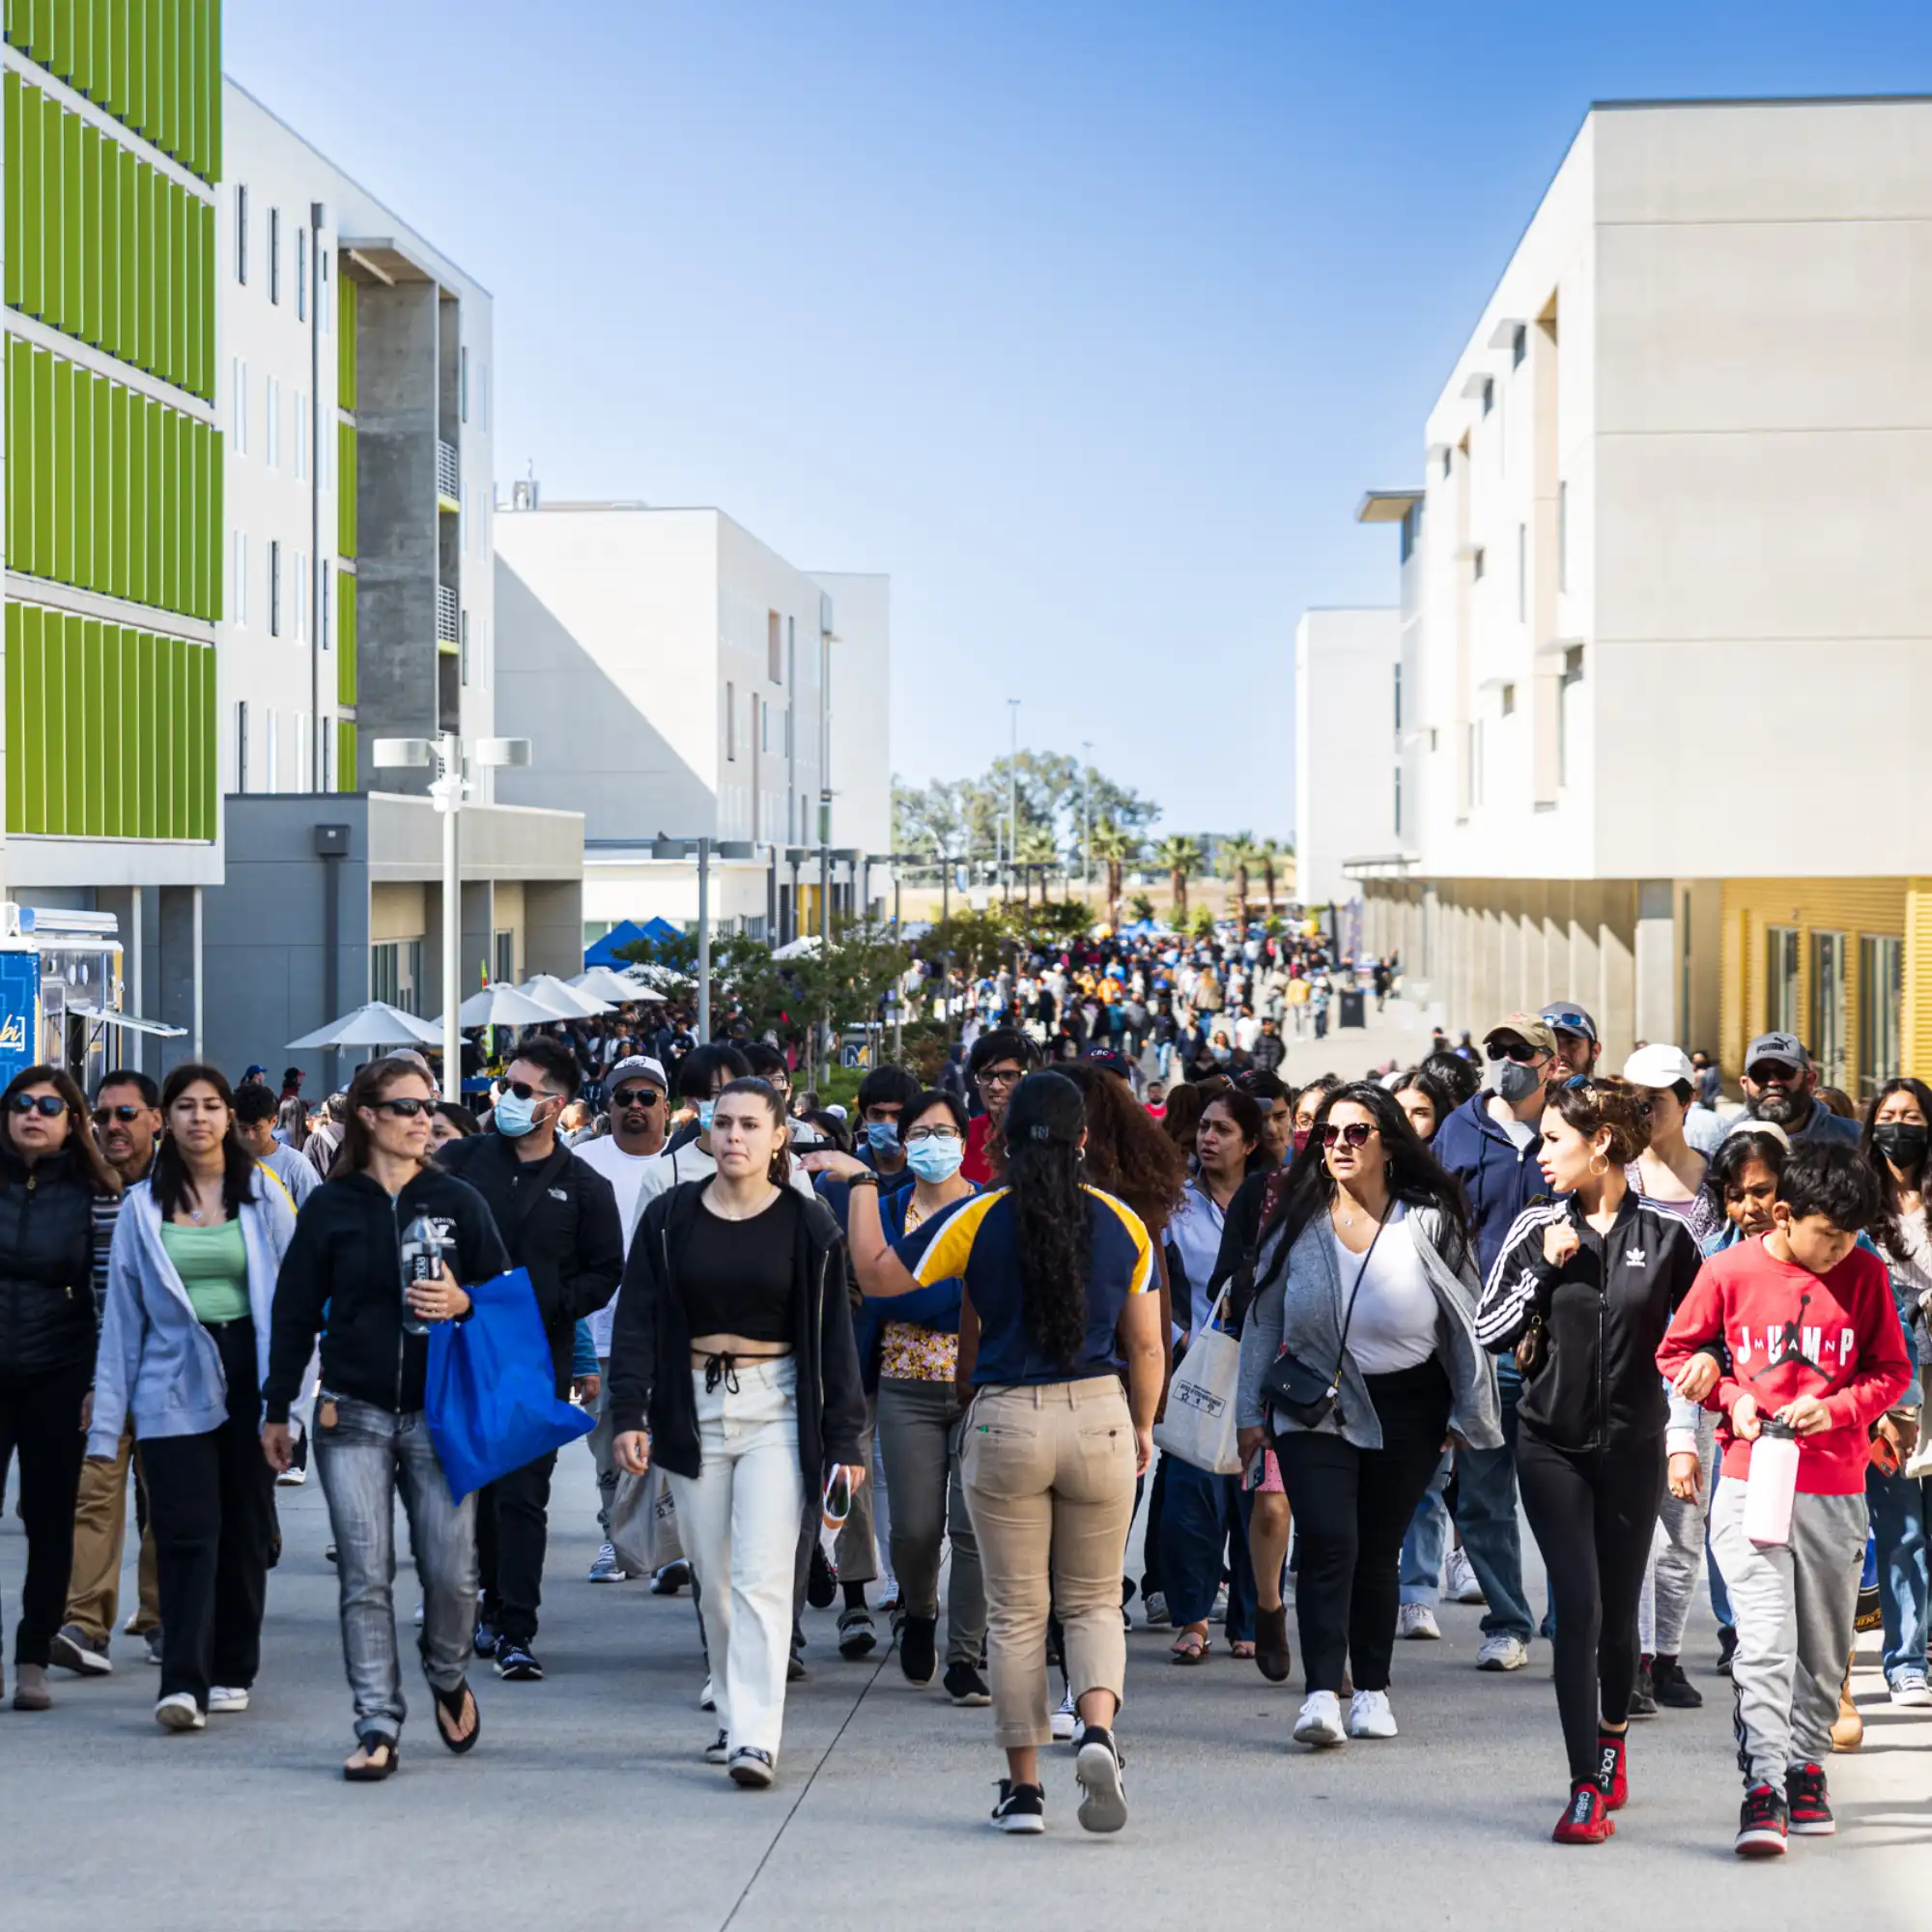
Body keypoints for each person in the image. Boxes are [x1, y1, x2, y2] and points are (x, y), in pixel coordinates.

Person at [828, 1070, 1163, 1835]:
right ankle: (1100, 1730)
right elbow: (1145, 1344)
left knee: (1016, 1611)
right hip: (1099, 1416)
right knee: (1092, 1599)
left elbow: (879, 1276)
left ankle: (1022, 1791)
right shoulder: (1124, 1222)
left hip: (1007, 1417)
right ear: (1084, 1140)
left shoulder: (979, 1217)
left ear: (1001, 1143)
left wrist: (855, 1185)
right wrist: (1141, 1424)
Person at [608, 1078, 867, 1789]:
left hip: (777, 1407)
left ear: (779, 1136)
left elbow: (834, 1337)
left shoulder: (807, 1225)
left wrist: (846, 1439)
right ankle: (729, 1704)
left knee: (760, 1576)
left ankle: (756, 1737)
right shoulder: (669, 1217)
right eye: (722, 1124)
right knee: (713, 1581)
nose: (734, 1137)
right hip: (692, 1409)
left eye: (751, 1125)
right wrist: (629, 1412)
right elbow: (637, 1320)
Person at [1657, 1142, 1912, 1856]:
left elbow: (1890, 1371)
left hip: (1835, 1485)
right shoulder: (1728, 1270)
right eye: (1827, 1235)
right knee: (1765, 1642)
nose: (1838, 1250)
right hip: (1750, 1481)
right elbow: (1676, 1351)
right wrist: (1728, 1396)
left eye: (1850, 1236)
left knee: (1827, 1651)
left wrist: (1836, 1411)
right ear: (1782, 1213)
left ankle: (1807, 1768)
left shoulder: (1863, 1275)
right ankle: (1763, 1786)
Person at [263, 1056, 510, 1778]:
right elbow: (295, 1311)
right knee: (365, 1576)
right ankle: (376, 1722)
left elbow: (503, 1294)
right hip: (353, 1411)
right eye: (407, 1107)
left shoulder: (457, 1199)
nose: (424, 1119)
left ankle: (445, 1669)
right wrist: (279, 1408)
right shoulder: (332, 1207)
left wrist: (465, 1302)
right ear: (366, 1116)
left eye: (429, 1106)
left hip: (440, 1414)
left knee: (453, 1574)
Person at [1236, 1081, 1500, 1751]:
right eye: (1328, 1134)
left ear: (1388, 1144)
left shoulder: (1431, 1217)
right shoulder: (1298, 1218)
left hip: (1411, 1404)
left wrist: (1467, 1409)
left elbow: (1466, 1316)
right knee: (1329, 1540)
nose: (1340, 1145)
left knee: (1378, 1551)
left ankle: (1374, 1692)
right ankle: (1322, 1692)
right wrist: (1247, 1413)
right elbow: (1263, 1319)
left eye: (1356, 1133)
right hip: (1313, 1402)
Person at [1477, 1075, 1704, 1845]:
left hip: (1634, 1448)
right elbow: (1486, 1330)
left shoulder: (1668, 1240)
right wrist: (1544, 1270)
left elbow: (1707, 1331)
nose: (1542, 1154)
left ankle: (1612, 1742)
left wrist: (1698, 1395)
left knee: (1615, 1613)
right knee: (1576, 1606)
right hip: (1549, 1446)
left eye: (1554, 1140)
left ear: (1598, 1143)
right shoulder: (1535, 1226)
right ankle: (1582, 1785)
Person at [88, 1065, 297, 1731]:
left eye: (211, 1106)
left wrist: (290, 1402)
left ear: (229, 1117)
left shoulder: (263, 1198)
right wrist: (105, 1421)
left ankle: (234, 1665)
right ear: (166, 1119)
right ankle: (182, 1679)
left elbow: (296, 1305)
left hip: (251, 1374)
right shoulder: (141, 1210)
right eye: (185, 1106)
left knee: (245, 1526)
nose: (198, 1118)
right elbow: (122, 1321)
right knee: (183, 1529)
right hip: (171, 1376)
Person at [437, 1035, 624, 1681]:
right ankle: (486, 1604)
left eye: (521, 1090)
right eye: (504, 1085)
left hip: (532, 1361)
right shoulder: (459, 1162)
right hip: (456, 1351)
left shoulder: (584, 1185)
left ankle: (516, 1626)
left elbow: (607, 1269)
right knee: (474, 1491)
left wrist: (555, 1305)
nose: (505, 1097)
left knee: (522, 1494)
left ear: (555, 1106)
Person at [828, 1090, 986, 1701]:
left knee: (971, 1530)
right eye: (917, 1133)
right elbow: (889, 1297)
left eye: (943, 1132)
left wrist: (914, 1287)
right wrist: (956, 1289)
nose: (929, 1144)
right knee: (916, 1528)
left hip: (979, 1390)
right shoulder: (887, 1210)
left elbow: (899, 1289)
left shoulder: (992, 1209)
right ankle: (920, 1609)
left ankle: (966, 1654)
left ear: (965, 1141)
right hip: (904, 1387)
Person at [1431, 1013, 1565, 1672]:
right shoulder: (1458, 1129)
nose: (1507, 1060)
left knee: (1561, 1488)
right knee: (1483, 1490)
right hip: (1480, 1343)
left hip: (1557, 1342)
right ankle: (1508, 1621)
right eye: (1498, 1049)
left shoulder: (1570, 1128)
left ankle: (1568, 1616)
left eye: (1521, 1052)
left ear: (1552, 1063)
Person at [0, 1066, 123, 1711]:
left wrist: (102, 1382)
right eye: (22, 1103)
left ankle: (32, 1658)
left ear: (73, 1121)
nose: (34, 1114)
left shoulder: (97, 1193)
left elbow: (108, 1294)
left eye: (51, 1105)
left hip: (60, 1368)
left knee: (50, 1521)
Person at [51, 1071, 162, 1679]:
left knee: (167, 1499)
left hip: (172, 1374)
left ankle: (161, 1617)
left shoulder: (183, 1191)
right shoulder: (87, 1191)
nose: (112, 1127)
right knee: (94, 1497)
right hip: (103, 1371)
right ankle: (85, 1623)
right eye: (103, 1116)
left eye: (125, 1115)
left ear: (155, 1121)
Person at [1620, 1042, 1721, 1711]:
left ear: (1686, 1101)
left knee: (1684, 1525)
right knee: (1633, 1527)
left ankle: (1667, 1657)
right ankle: (1627, 1658)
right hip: (1627, 1370)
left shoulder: (1718, 1185)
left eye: (1657, 1098)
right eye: (1634, 1097)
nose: (1645, 1109)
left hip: (1697, 1375)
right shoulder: (1614, 1179)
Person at [1162, 1091, 1270, 1666]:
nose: (1208, 1138)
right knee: (1192, 1492)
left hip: (1262, 1367)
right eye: (1203, 1128)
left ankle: (1251, 1619)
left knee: (1255, 1496)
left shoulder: (1275, 1200)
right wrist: (1181, 1339)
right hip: (1196, 1362)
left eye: (1223, 1130)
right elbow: (1155, 1283)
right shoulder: (1174, 1203)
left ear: (1250, 1144)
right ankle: (1193, 1616)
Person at [573, 1055, 670, 1583]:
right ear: (607, 1105)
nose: (634, 1106)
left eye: (646, 1097)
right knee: (610, 1437)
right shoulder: (582, 1160)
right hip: (601, 1331)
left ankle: (664, 1546)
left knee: (667, 1437)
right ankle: (615, 1535)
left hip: (668, 1328)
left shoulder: (683, 1162)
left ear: (665, 1105)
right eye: (623, 1097)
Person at [1857, 1080, 1932, 1706]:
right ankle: (1905, 1660)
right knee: (1901, 1526)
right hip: (1887, 1379)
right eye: (1889, 1117)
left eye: (1911, 1117)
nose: (1899, 1127)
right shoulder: (1857, 1197)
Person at [1737, 1033, 1862, 1147]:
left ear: (1810, 1080)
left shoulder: (1855, 1139)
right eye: (1759, 1074)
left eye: (1784, 1072)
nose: (1773, 1083)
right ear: (1744, 1083)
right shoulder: (1723, 1141)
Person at [962, 1028, 1040, 1184]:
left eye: (1008, 1076)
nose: (995, 1086)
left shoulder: (1049, 1136)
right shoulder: (962, 1138)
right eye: (987, 1075)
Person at [232, 1083, 322, 1208]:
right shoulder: (226, 1162)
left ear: (273, 1121)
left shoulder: (296, 1165)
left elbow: (316, 1216)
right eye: (243, 1129)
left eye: (257, 1128)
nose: (250, 1137)